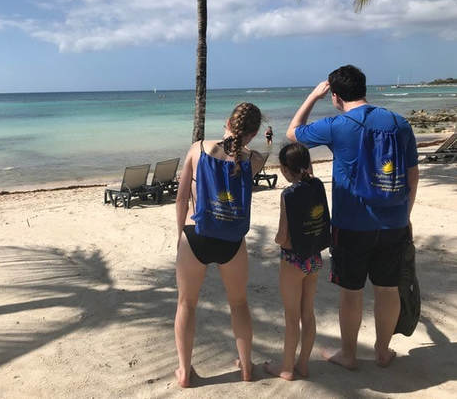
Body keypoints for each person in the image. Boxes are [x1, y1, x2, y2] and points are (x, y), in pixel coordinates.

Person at [285, 65, 419, 370]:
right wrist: (405, 214)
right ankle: (383, 351)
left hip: (350, 224)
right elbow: (413, 176)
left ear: (335, 96)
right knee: (387, 288)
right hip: (394, 221)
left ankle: (349, 354)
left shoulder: (337, 125)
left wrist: (311, 97)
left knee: (351, 292)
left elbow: (293, 133)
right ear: (364, 88)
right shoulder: (398, 123)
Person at [174, 102, 265, 387]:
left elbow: (180, 198)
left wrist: (180, 236)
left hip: (197, 234)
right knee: (239, 304)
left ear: (227, 121)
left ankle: (185, 372)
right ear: (253, 133)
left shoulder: (198, 148)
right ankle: (247, 368)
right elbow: (241, 164)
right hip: (231, 239)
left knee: (186, 303)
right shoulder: (257, 159)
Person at [264, 143, 330, 380]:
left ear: (284, 169)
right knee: (307, 314)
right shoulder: (317, 185)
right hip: (313, 257)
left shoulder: (288, 194)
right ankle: (303, 364)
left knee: (291, 318)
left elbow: (283, 235)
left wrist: (276, 240)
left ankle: (286, 368)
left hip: (293, 260)